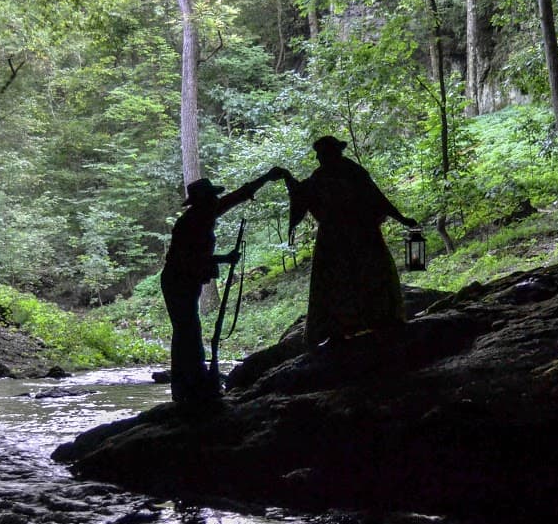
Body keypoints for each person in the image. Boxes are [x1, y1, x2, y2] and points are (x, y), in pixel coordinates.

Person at [283, 135, 419, 347]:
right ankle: (342, 328)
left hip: (349, 237)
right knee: (343, 281)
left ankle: (371, 322)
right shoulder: (325, 176)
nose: (319, 158)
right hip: (351, 237)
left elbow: (376, 197)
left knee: (354, 278)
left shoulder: (349, 173)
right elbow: (303, 194)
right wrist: (286, 177)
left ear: (332, 153)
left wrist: (402, 218)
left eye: (321, 154)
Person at [160, 170, 282, 402]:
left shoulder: (204, 215)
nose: (217, 200)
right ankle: (190, 385)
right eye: (212, 197)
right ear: (204, 200)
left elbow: (239, 195)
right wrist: (224, 258)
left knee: (188, 331)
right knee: (188, 332)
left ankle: (192, 383)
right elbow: (185, 259)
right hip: (177, 282)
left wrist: (265, 178)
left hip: (186, 281)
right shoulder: (189, 223)